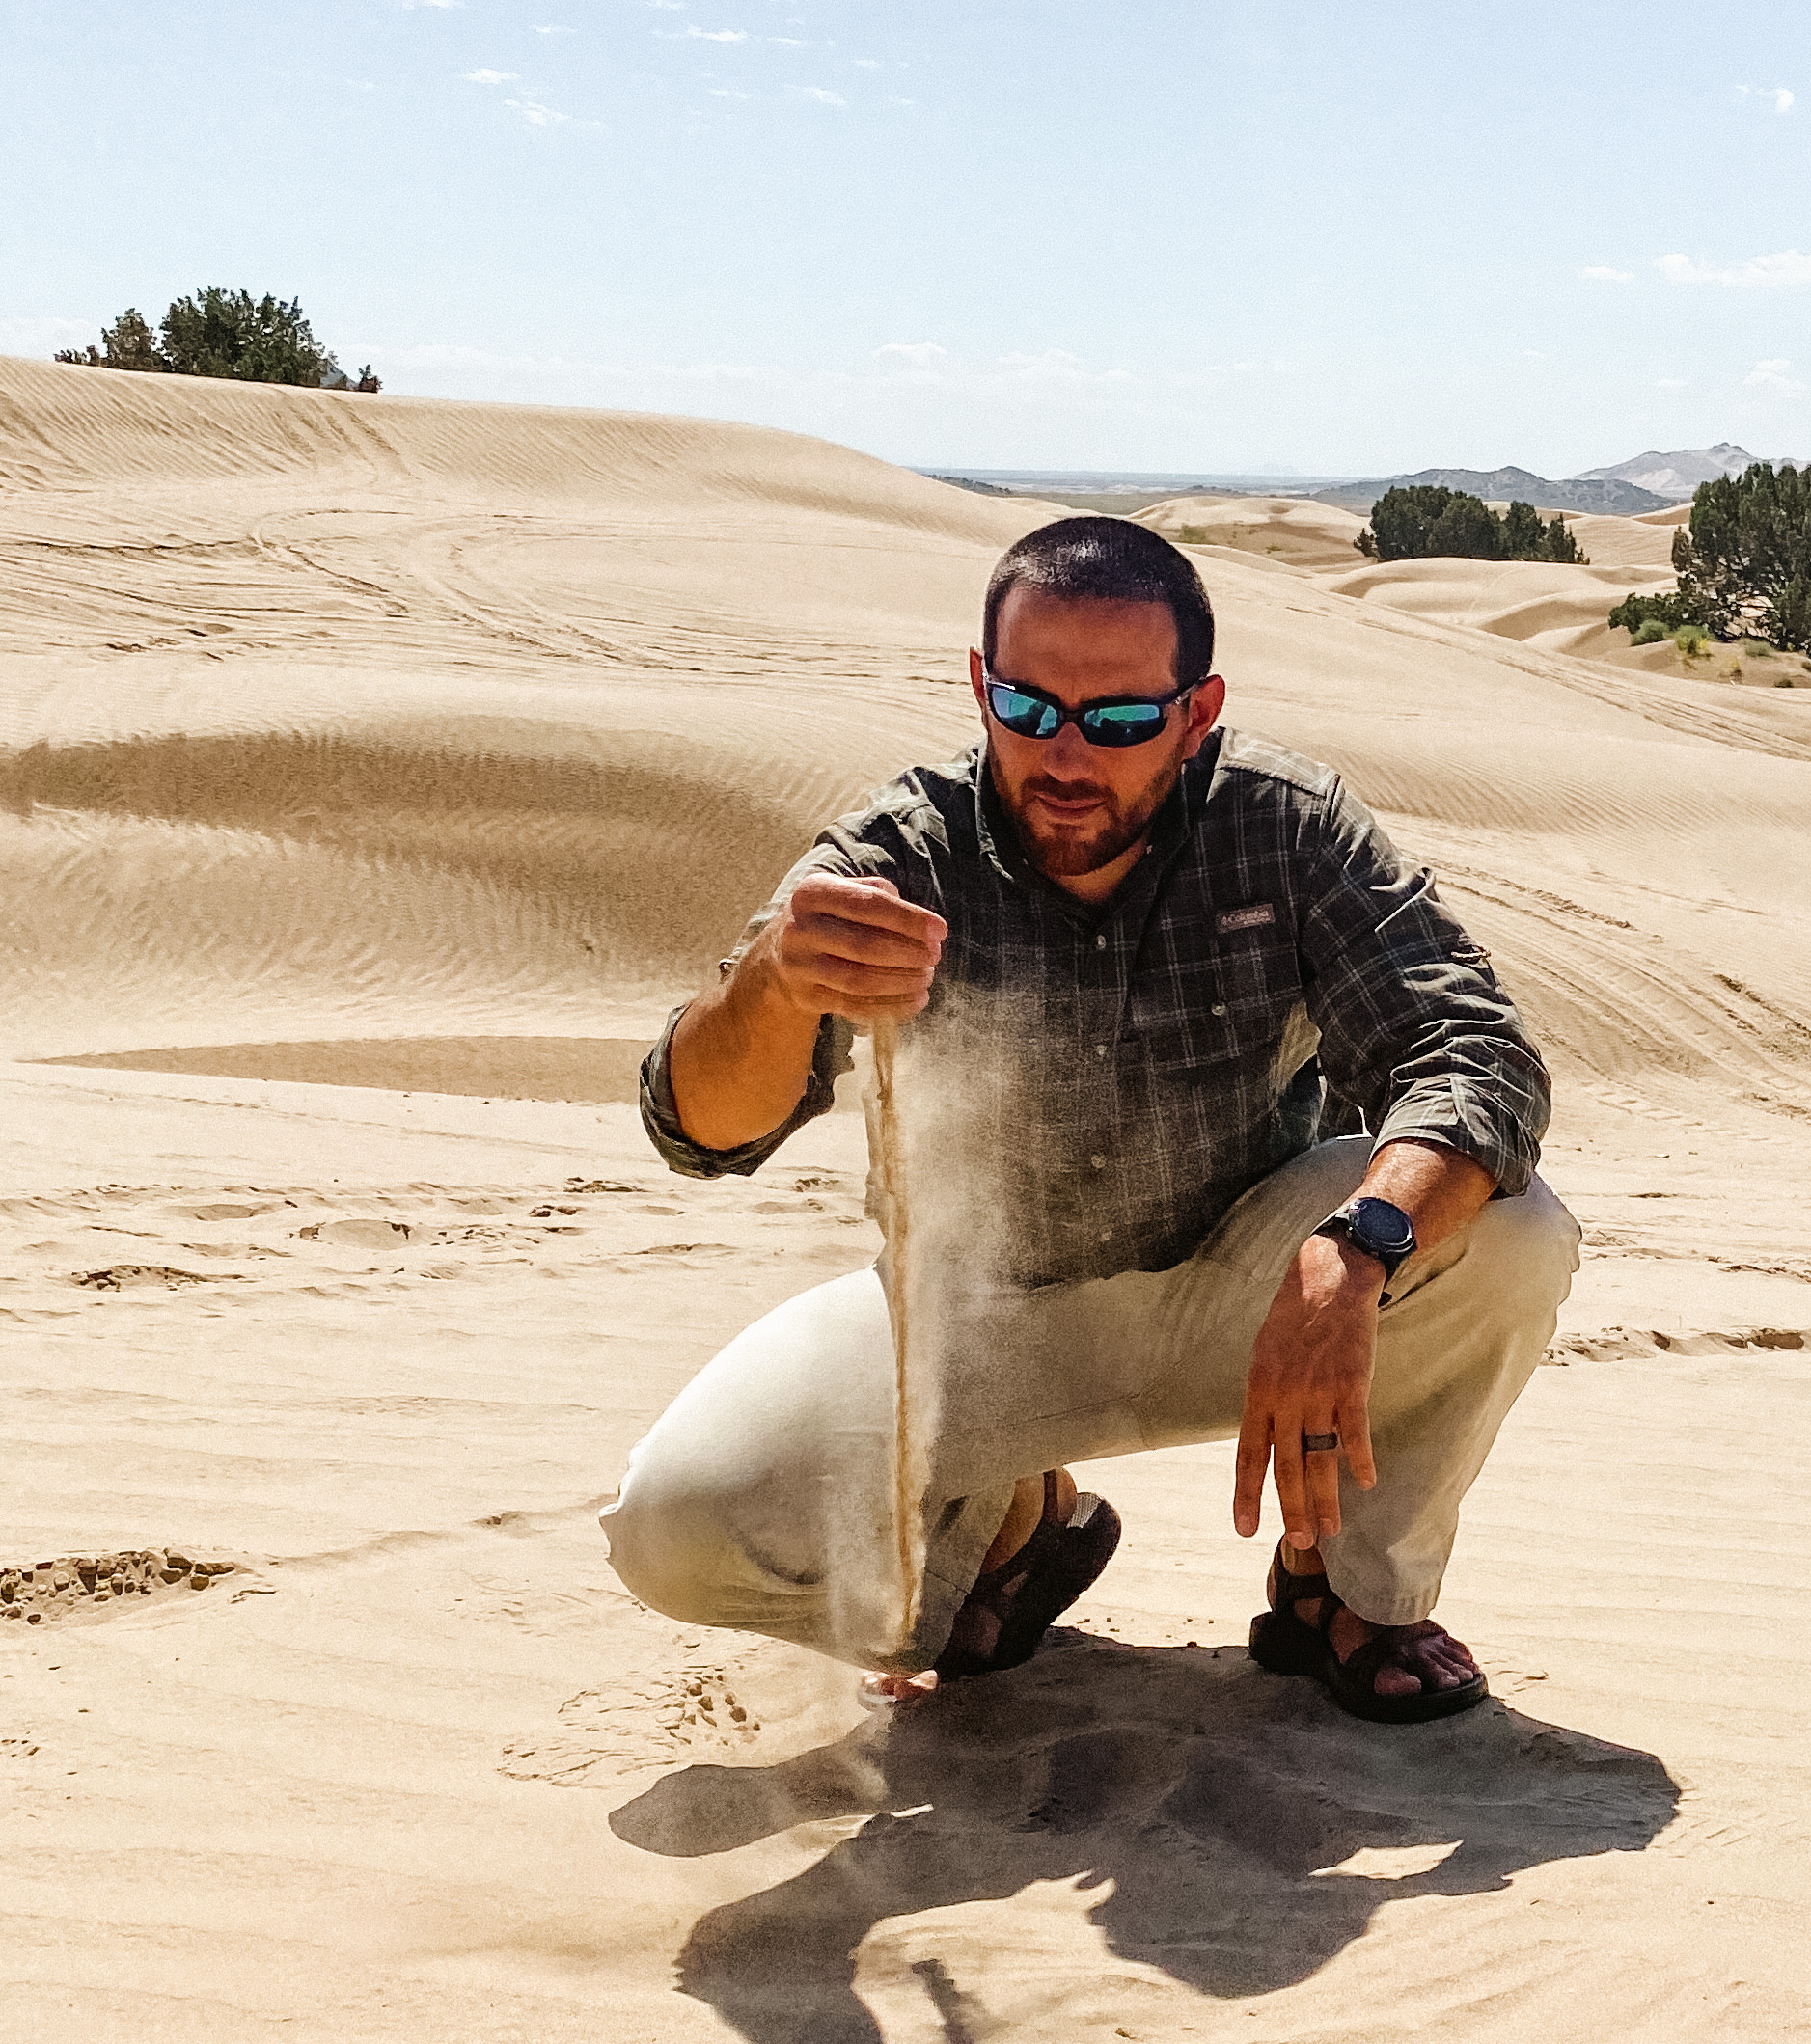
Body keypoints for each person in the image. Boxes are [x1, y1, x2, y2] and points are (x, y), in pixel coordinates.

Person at [601, 514, 1576, 1721]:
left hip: (1247, 1288)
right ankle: (1009, 1536)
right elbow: (695, 1127)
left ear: (1195, 712)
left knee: (1510, 1226)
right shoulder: (899, 856)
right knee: (675, 1528)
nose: (1066, 754)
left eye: (1117, 721)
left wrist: (1360, 1246)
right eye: (1028, 710)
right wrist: (772, 986)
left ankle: (1347, 1591)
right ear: (981, 687)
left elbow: (1475, 1051)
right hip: (978, 1330)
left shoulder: (1286, 826)